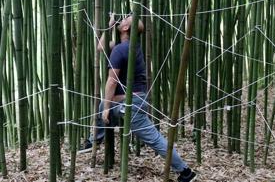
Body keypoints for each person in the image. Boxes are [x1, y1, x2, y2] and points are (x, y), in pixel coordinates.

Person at [79, 13, 197, 182]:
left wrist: (106, 109)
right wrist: (110, 25)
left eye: (126, 18)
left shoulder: (122, 49)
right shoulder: (129, 47)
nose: (124, 17)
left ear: (126, 28)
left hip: (131, 105)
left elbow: (111, 82)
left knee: (153, 139)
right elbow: (101, 47)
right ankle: (94, 140)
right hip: (130, 102)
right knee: (102, 107)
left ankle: (186, 172)